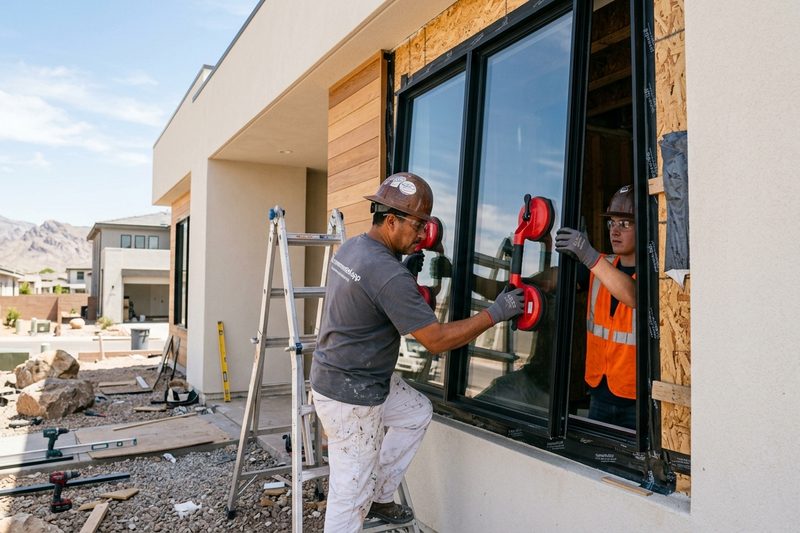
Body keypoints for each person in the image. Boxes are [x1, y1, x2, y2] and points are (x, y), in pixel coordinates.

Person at [310, 172, 524, 532]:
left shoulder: (355, 248)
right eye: (418, 225)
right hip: (351, 398)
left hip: (344, 376)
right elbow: (435, 339)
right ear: (390, 220)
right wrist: (494, 313)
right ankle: (367, 496)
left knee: (416, 412)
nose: (424, 235)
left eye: (426, 225)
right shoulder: (387, 274)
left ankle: (380, 494)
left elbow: (373, 298)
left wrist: (403, 272)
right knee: (349, 496)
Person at [555, 185, 637, 429]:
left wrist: (588, 254)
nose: (615, 230)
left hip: (636, 401)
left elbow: (632, 295)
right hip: (599, 394)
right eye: (612, 222)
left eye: (625, 224)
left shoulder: (655, 277)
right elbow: (550, 280)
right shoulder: (601, 266)